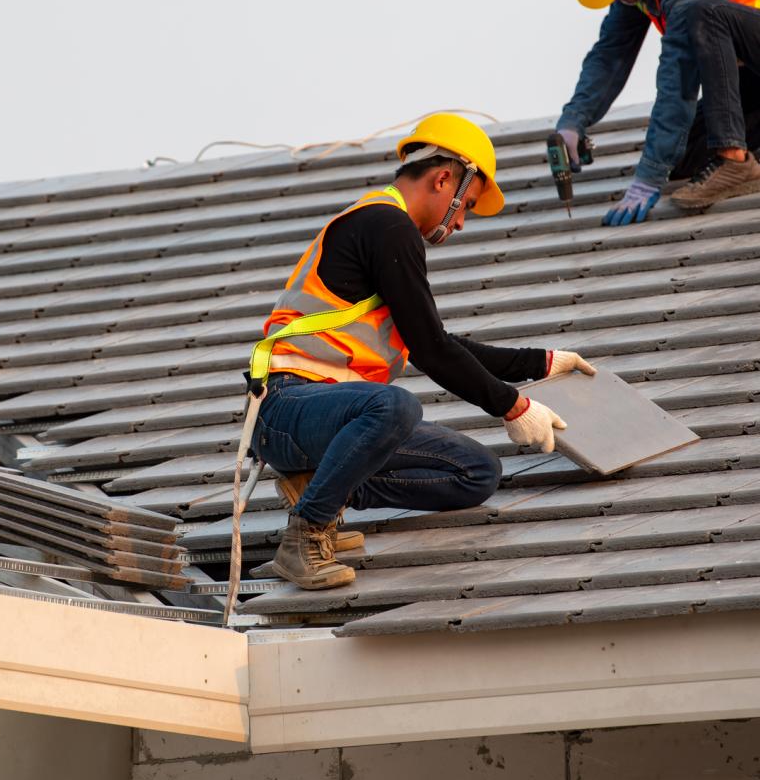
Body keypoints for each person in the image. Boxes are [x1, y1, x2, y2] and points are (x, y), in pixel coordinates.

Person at [251, 113, 595, 590]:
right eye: (466, 206)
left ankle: (318, 489)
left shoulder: (387, 230)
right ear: (443, 179)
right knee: (395, 405)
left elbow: (438, 342)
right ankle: (306, 535)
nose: (460, 223)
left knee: (477, 471)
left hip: (333, 419)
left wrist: (540, 363)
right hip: (286, 410)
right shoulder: (387, 226)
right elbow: (432, 351)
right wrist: (512, 405)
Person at [556, 0, 760, 226]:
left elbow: (677, 80)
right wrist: (574, 120)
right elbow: (611, 54)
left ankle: (734, 160)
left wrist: (648, 176)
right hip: (755, 77)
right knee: (683, 159)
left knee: (706, 15)